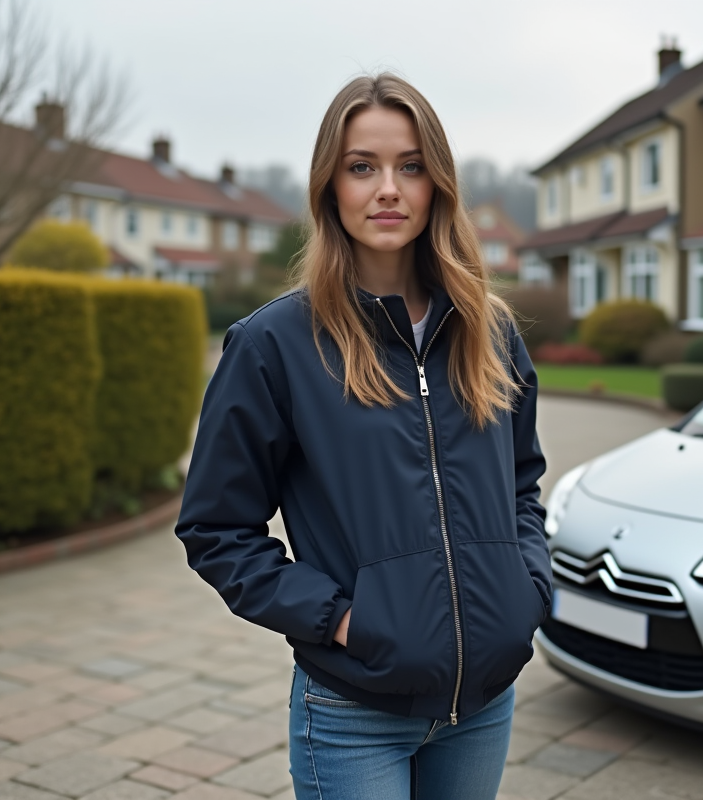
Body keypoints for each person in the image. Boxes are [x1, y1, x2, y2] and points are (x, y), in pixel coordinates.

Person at [175, 73, 551, 800]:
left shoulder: (490, 331)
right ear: (330, 187)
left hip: (484, 705)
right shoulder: (273, 345)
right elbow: (216, 528)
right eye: (361, 167)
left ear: (438, 184)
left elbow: (521, 484)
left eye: (410, 166)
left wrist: (524, 589)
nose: (388, 188)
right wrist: (342, 620)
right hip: (354, 712)